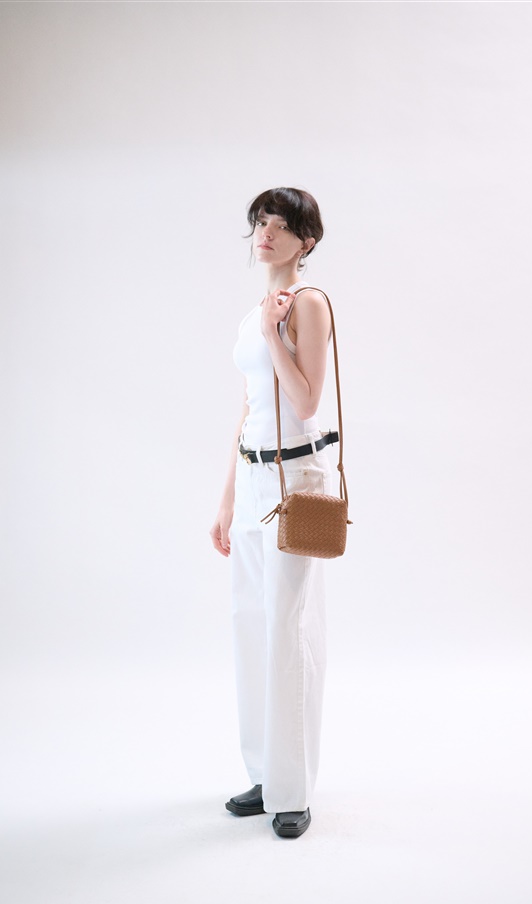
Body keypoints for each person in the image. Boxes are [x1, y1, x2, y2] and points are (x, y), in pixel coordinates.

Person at [209, 187, 336, 839]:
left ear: (305, 241)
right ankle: (265, 774)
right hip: (255, 477)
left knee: (289, 628)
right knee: (250, 624)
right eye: (261, 222)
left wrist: (271, 333)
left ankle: (294, 790)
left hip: (297, 480)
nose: (266, 233)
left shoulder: (307, 303)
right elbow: (250, 407)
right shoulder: (252, 312)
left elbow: (307, 400)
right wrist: (227, 497)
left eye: (281, 225)